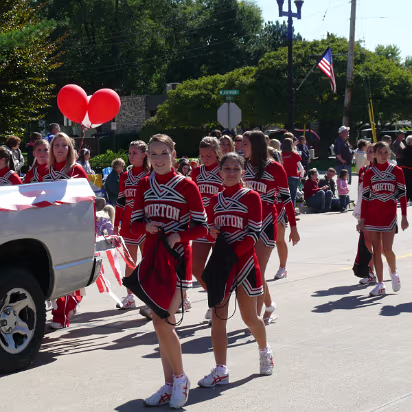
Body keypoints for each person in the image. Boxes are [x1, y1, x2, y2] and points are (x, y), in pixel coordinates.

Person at [130, 134, 208, 409]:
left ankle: (180, 378)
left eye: (164, 153)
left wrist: (180, 235)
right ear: (148, 156)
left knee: (164, 321)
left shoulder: (186, 185)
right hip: (152, 259)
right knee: (158, 323)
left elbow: (202, 227)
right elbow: (133, 223)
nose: (159, 159)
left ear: (174, 154)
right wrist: (146, 228)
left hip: (176, 259)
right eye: (153, 154)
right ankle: (168, 384)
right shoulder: (143, 183)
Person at [198, 152, 274, 388]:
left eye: (235, 169)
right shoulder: (213, 201)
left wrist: (232, 256)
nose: (230, 173)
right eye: (226, 169)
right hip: (222, 265)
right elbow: (210, 229)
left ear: (243, 172)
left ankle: (265, 351)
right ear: (219, 172)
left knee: (249, 317)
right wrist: (210, 232)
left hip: (245, 264)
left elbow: (253, 234)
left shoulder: (252, 197)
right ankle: (221, 369)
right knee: (219, 317)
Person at [242, 131, 300, 323]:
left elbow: (287, 200)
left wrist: (293, 227)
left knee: (256, 270)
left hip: (267, 222)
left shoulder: (275, 168)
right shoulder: (244, 166)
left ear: (256, 146)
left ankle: (255, 319)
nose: (242, 147)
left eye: (245, 144)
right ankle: (269, 305)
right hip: (245, 224)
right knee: (251, 269)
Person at [38, 132, 88, 329]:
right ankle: (68, 307)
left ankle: (61, 315)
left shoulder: (76, 170)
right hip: (51, 228)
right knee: (54, 271)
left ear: (70, 149)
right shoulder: (45, 171)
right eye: (56, 145)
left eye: (64, 145)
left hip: (72, 229)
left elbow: (86, 200)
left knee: (66, 272)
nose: (59, 149)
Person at [359, 141, 408, 296]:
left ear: (389, 154)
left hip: (389, 216)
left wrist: (404, 217)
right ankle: (380, 284)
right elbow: (365, 197)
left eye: (385, 152)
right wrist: (362, 219)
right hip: (372, 216)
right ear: (374, 154)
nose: (382, 155)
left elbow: (402, 195)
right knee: (376, 250)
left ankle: (393, 272)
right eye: (379, 152)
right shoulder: (369, 173)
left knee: (387, 249)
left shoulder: (397, 171)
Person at [114, 141, 150, 315]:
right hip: (128, 224)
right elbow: (120, 202)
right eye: (129, 153)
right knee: (130, 261)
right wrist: (115, 225)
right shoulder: (125, 175)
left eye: (134, 152)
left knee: (148, 261)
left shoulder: (151, 174)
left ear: (144, 154)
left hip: (146, 223)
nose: (131, 155)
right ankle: (130, 296)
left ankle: (151, 297)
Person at [190, 137, 224, 320]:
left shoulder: (225, 170)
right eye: (203, 155)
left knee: (217, 270)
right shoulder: (196, 173)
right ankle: (216, 298)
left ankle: (216, 304)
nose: (205, 158)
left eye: (209, 155)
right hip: (201, 224)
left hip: (220, 225)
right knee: (196, 268)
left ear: (217, 153)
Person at [282, 134, 304, 208]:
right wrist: (301, 175)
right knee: (292, 196)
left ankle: (284, 212)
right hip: (294, 176)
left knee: (284, 196)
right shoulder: (295, 154)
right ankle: (292, 212)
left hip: (284, 177)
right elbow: (301, 168)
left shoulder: (281, 154)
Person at [399, 135, 412, 203]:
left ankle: (406, 199)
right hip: (409, 169)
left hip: (405, 170)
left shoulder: (404, 149)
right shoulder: (408, 149)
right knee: (409, 185)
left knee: (407, 185)